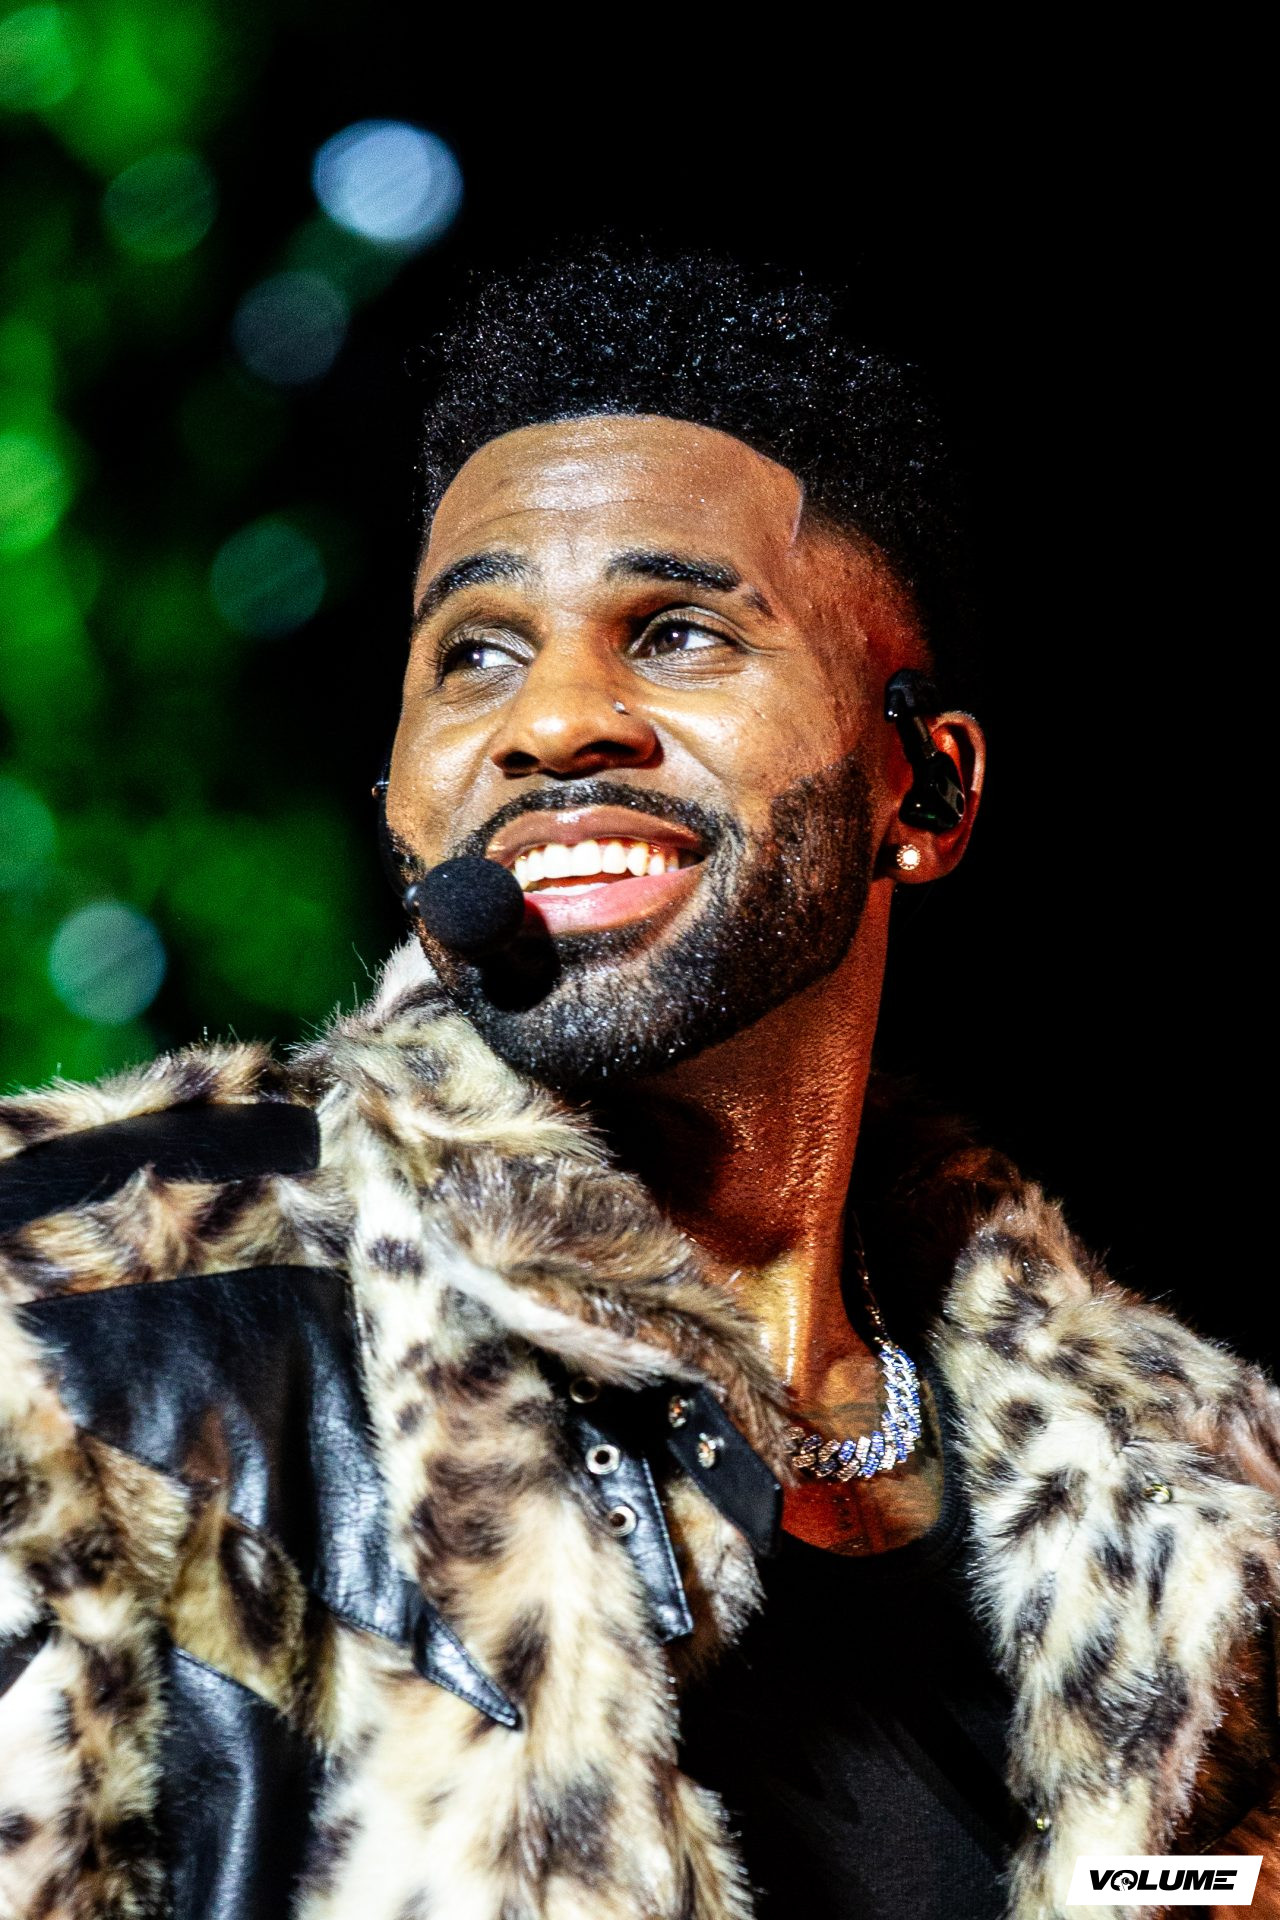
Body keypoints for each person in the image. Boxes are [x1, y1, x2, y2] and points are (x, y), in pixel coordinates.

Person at [0, 248, 1277, 1920]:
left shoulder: (1195, 1514)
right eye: (474, 654)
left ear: (925, 789)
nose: (551, 722)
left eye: (676, 634)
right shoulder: (85, 1329)